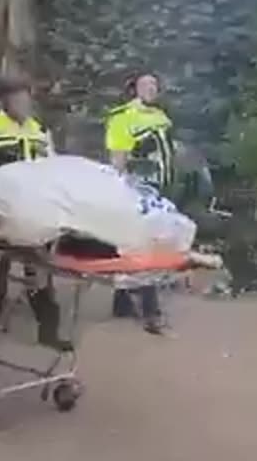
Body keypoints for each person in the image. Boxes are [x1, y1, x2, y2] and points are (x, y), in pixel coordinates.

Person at [0, 76, 70, 350]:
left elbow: (52, 169)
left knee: (40, 269)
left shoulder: (39, 131)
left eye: (27, 97)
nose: (24, 104)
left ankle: (48, 329)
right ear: (3, 101)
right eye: (17, 98)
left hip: (34, 213)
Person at [105, 71, 174, 334]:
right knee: (146, 243)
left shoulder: (160, 117)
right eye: (146, 84)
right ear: (134, 88)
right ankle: (150, 310)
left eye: (155, 84)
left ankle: (121, 301)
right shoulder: (123, 117)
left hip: (161, 187)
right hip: (138, 186)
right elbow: (118, 156)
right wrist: (120, 187)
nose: (151, 89)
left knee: (141, 242)